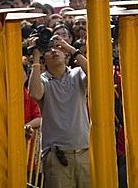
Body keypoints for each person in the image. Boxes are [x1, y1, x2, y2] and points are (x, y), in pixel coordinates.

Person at [29, 34, 90, 187]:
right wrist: (36, 58)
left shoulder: (77, 73)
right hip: (57, 156)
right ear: (44, 58)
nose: (55, 51)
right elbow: (35, 93)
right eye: (49, 50)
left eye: (58, 48)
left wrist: (71, 49)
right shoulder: (42, 79)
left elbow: (97, 74)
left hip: (85, 153)